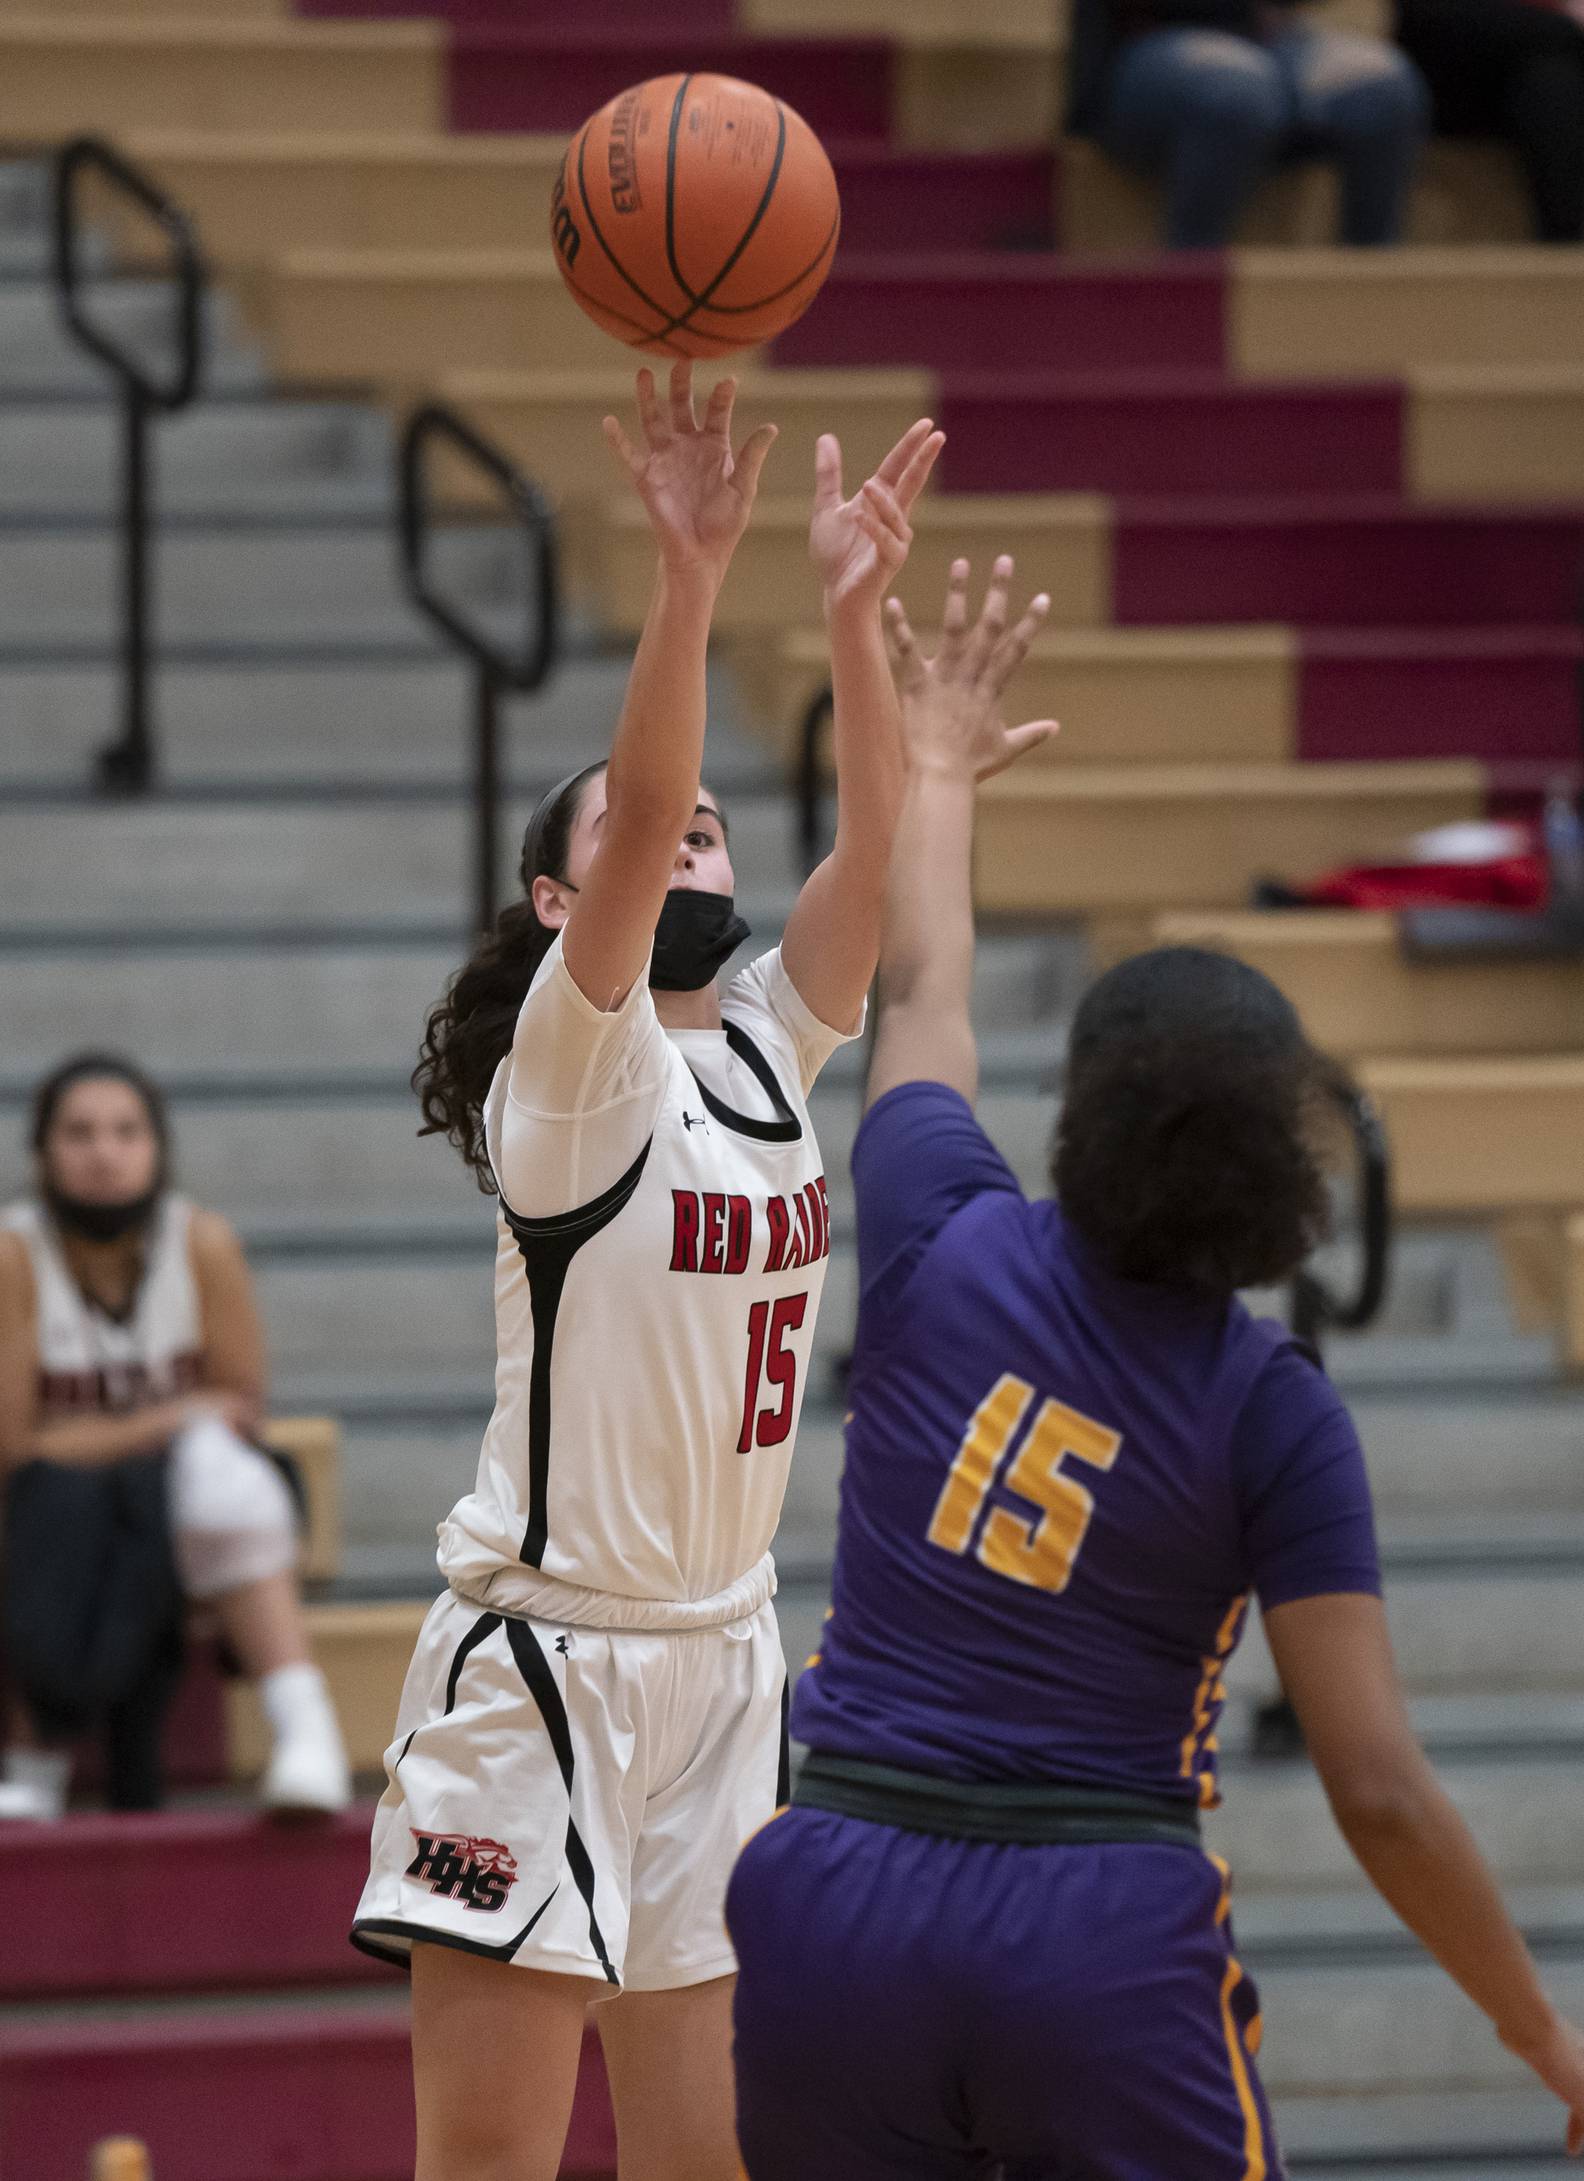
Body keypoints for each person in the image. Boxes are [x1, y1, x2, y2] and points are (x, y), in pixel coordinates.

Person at [726, 556, 1584, 2180]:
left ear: (1088, 1116)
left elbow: (922, 982)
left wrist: (940, 765)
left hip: (829, 1884)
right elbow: (1379, 1789)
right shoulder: (1272, 1409)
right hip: (1089, 1929)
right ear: (1283, 1166)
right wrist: (1547, 2038)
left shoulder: (940, 1227)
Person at [349, 362, 942, 2181]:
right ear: (557, 908)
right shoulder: (573, 1067)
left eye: (702, 822)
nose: (687, 827)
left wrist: (849, 612)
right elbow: (662, 765)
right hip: (543, 1663)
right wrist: (689, 581)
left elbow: (880, 842)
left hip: (722, 1660)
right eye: (635, 822)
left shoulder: (768, 1043)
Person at [0, 1053, 351, 1819]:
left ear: (156, 1147)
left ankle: (305, 1730)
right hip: (41, 1518)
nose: (103, 1151)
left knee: (227, 1475)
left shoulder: (203, 1243)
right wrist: (162, 1418)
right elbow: (16, 1446)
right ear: (43, 1152)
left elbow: (240, 1412)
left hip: (183, 1516)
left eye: (126, 1131)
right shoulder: (13, 1255)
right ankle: (30, 1756)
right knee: (60, 1499)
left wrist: (107, 1438)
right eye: (80, 1132)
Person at [1070, 0, 1430, 248]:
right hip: (1152, 40)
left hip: (1271, 39)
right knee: (1238, 94)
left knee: (1384, 86)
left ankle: (1367, 299)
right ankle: (1191, 289)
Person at [1396, 0, 1584, 243]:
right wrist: (1572, 22)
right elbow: (1423, 16)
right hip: (1445, 71)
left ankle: (1562, 266)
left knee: (1554, 82)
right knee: (1555, 67)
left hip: (1545, 77)